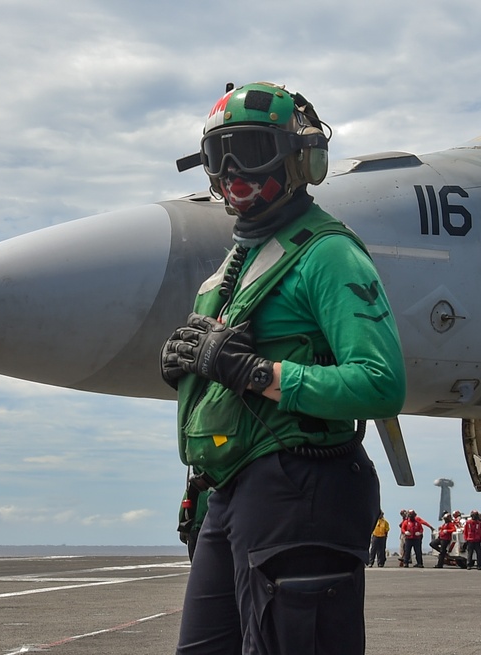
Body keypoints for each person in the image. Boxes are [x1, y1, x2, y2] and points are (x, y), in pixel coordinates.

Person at [161, 82, 407, 655]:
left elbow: (380, 384)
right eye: (217, 154)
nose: (230, 172)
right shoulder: (234, 266)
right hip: (230, 491)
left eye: (249, 149)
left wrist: (253, 372)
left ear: (300, 158)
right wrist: (194, 371)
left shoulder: (327, 253)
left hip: (301, 488)